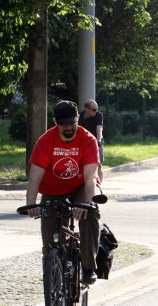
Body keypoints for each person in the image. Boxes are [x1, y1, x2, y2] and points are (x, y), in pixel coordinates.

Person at [25, 100, 100, 286]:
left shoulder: (88, 139)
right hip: (52, 191)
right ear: (55, 122)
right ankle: (53, 295)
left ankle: (88, 266)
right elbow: (34, 178)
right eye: (63, 124)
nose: (68, 128)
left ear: (78, 120)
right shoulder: (45, 141)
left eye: (72, 123)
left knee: (89, 212)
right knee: (49, 243)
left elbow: (90, 177)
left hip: (80, 187)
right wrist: (31, 203)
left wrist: (87, 203)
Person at [78, 99, 104, 182]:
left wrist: (99, 141)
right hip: (83, 142)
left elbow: (99, 128)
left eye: (96, 109)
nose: (96, 111)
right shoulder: (79, 116)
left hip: (96, 141)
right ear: (87, 109)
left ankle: (100, 186)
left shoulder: (98, 115)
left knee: (99, 164)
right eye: (93, 110)